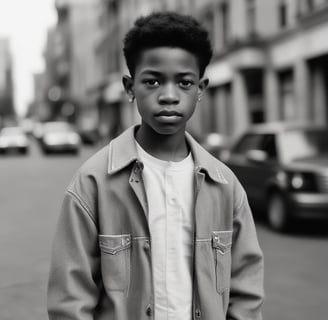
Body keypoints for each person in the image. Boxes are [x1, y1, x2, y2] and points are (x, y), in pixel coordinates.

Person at [47, 12, 264, 320]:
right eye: (152, 81)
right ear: (129, 86)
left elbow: (246, 290)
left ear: (200, 89)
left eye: (184, 82)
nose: (169, 96)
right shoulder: (92, 183)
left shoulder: (225, 185)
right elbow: (70, 300)